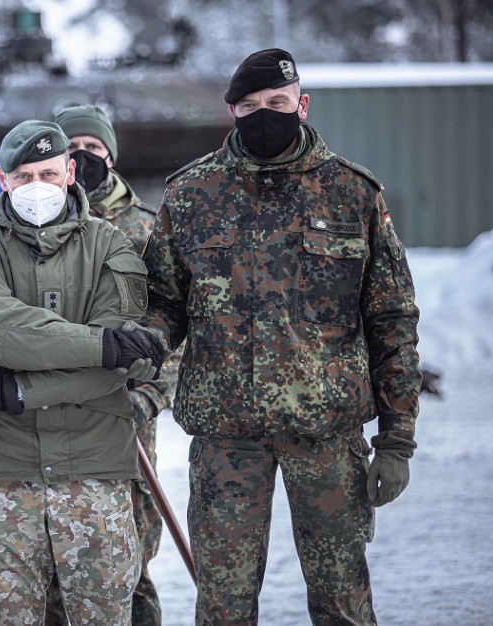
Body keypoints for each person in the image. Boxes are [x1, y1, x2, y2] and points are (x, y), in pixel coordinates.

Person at [141, 49, 421, 624]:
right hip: (227, 441)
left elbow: (392, 319)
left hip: (326, 435)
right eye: (250, 106)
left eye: (276, 103)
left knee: (342, 601)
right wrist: (144, 340)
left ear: (302, 104)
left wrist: (397, 438)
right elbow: (165, 302)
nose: (264, 114)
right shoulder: (191, 196)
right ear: (232, 113)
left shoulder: (353, 193)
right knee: (223, 605)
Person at [0, 119, 166, 625]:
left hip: (94, 470)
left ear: (69, 172)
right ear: (2, 179)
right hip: (2, 474)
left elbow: (123, 368)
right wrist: (98, 345)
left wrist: (12, 392)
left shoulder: (113, 245)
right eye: (23, 177)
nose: (36, 187)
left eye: (47, 172)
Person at [44, 104, 180, 626]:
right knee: (53, 561)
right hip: (53, 418)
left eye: (93, 147)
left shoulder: (145, 229)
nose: (83, 157)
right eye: (70, 148)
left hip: (125, 420)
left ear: (111, 155)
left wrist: (148, 396)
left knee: (128, 559)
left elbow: (173, 327)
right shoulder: (27, 224)